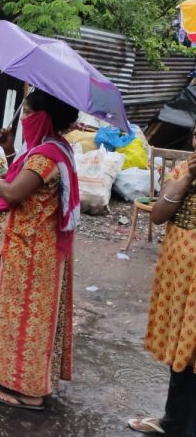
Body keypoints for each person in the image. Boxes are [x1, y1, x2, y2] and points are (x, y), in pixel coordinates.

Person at [0, 89, 80, 411]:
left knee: (26, 322)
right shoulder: (52, 151)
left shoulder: (45, 156)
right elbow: (23, 179)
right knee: (24, 319)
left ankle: (30, 392)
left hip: (32, 254)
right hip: (32, 250)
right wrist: (7, 152)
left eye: (29, 112)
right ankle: (22, 380)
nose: (25, 119)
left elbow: (15, 190)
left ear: (42, 117)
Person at [127, 127, 196, 436]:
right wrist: (187, 180)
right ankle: (174, 422)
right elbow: (158, 215)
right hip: (179, 274)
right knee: (182, 345)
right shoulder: (184, 170)